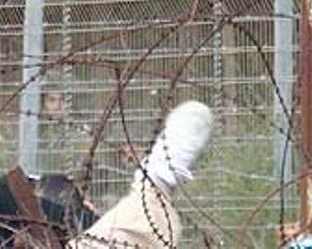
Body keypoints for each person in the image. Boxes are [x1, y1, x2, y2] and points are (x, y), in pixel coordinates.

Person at [69, 100, 212, 249]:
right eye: (122, 150)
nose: (128, 154)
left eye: (133, 147)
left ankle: (155, 185)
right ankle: (156, 183)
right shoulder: (107, 176)